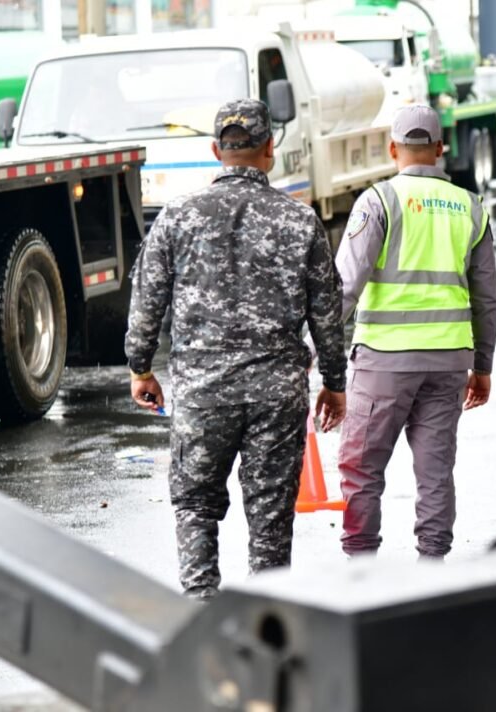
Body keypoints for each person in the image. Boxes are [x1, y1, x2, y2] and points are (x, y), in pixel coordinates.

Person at [125, 99, 347, 599]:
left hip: (204, 394)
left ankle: (200, 612)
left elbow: (147, 299)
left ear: (216, 151)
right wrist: (334, 384)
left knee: (196, 507)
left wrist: (141, 368)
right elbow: (328, 314)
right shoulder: (299, 221)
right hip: (277, 396)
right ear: (269, 149)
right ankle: (266, 630)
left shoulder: (178, 217)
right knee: (270, 525)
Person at [335, 104, 496, 561]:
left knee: (362, 468)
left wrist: (315, 352)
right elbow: (487, 298)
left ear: (392, 148)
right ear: (440, 150)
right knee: (435, 471)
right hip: (449, 363)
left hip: (384, 362)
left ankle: (361, 568)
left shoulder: (379, 200)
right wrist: (482, 366)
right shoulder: (471, 207)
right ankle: (432, 565)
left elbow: (345, 287)